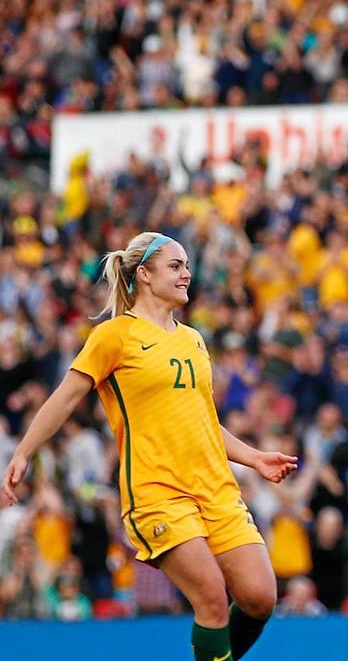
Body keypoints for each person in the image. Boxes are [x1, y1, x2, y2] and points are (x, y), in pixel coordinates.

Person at [2, 232, 298, 661]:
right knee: (212, 599)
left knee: (259, 596)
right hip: (157, 494)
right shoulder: (115, 336)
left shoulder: (194, 340)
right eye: (175, 266)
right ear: (144, 274)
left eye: (187, 266)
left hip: (215, 488)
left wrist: (253, 457)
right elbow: (65, 397)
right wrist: (24, 451)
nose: (186, 274)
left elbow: (203, 421)